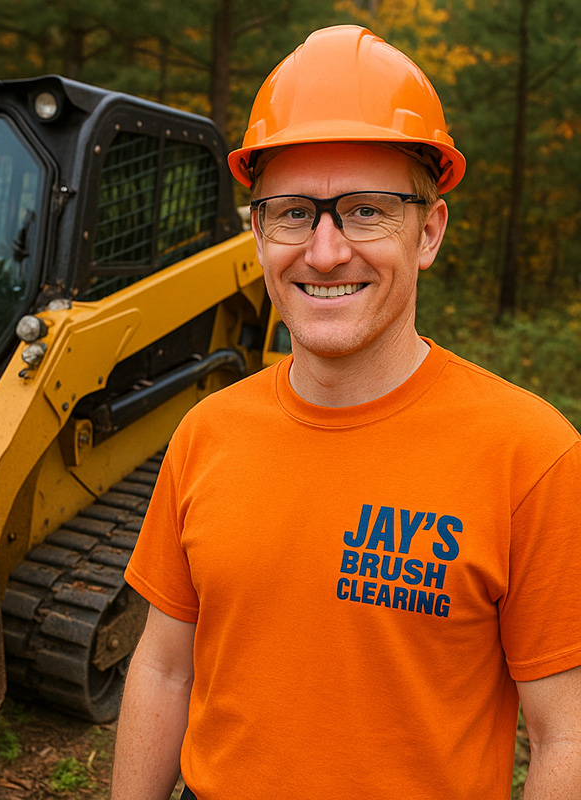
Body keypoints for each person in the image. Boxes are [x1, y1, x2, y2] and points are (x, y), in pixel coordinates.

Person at [111, 25, 581, 800]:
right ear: (257, 233)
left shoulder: (531, 455)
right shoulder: (206, 433)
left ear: (427, 231)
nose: (325, 252)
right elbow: (164, 668)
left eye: (366, 211)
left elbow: (565, 737)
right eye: (295, 213)